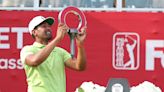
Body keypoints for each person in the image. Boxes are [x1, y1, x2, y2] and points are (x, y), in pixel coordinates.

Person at [20, 16, 87, 92]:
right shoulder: (28, 49)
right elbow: (34, 61)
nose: (48, 28)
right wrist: (57, 39)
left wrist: (80, 44)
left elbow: (79, 66)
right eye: (43, 26)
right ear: (34, 32)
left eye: (49, 26)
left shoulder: (59, 51)